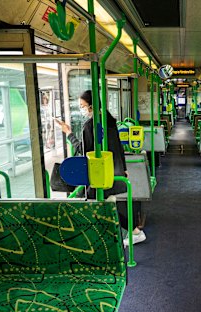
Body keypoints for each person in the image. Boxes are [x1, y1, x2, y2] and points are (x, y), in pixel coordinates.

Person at [56, 90, 146, 246]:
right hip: (114, 171)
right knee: (109, 205)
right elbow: (118, 147)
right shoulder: (109, 121)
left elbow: (84, 151)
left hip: (100, 174)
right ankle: (130, 233)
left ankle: (132, 233)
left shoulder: (90, 126)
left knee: (96, 204)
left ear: (91, 106)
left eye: (83, 106)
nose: (82, 109)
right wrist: (123, 168)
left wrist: (69, 133)